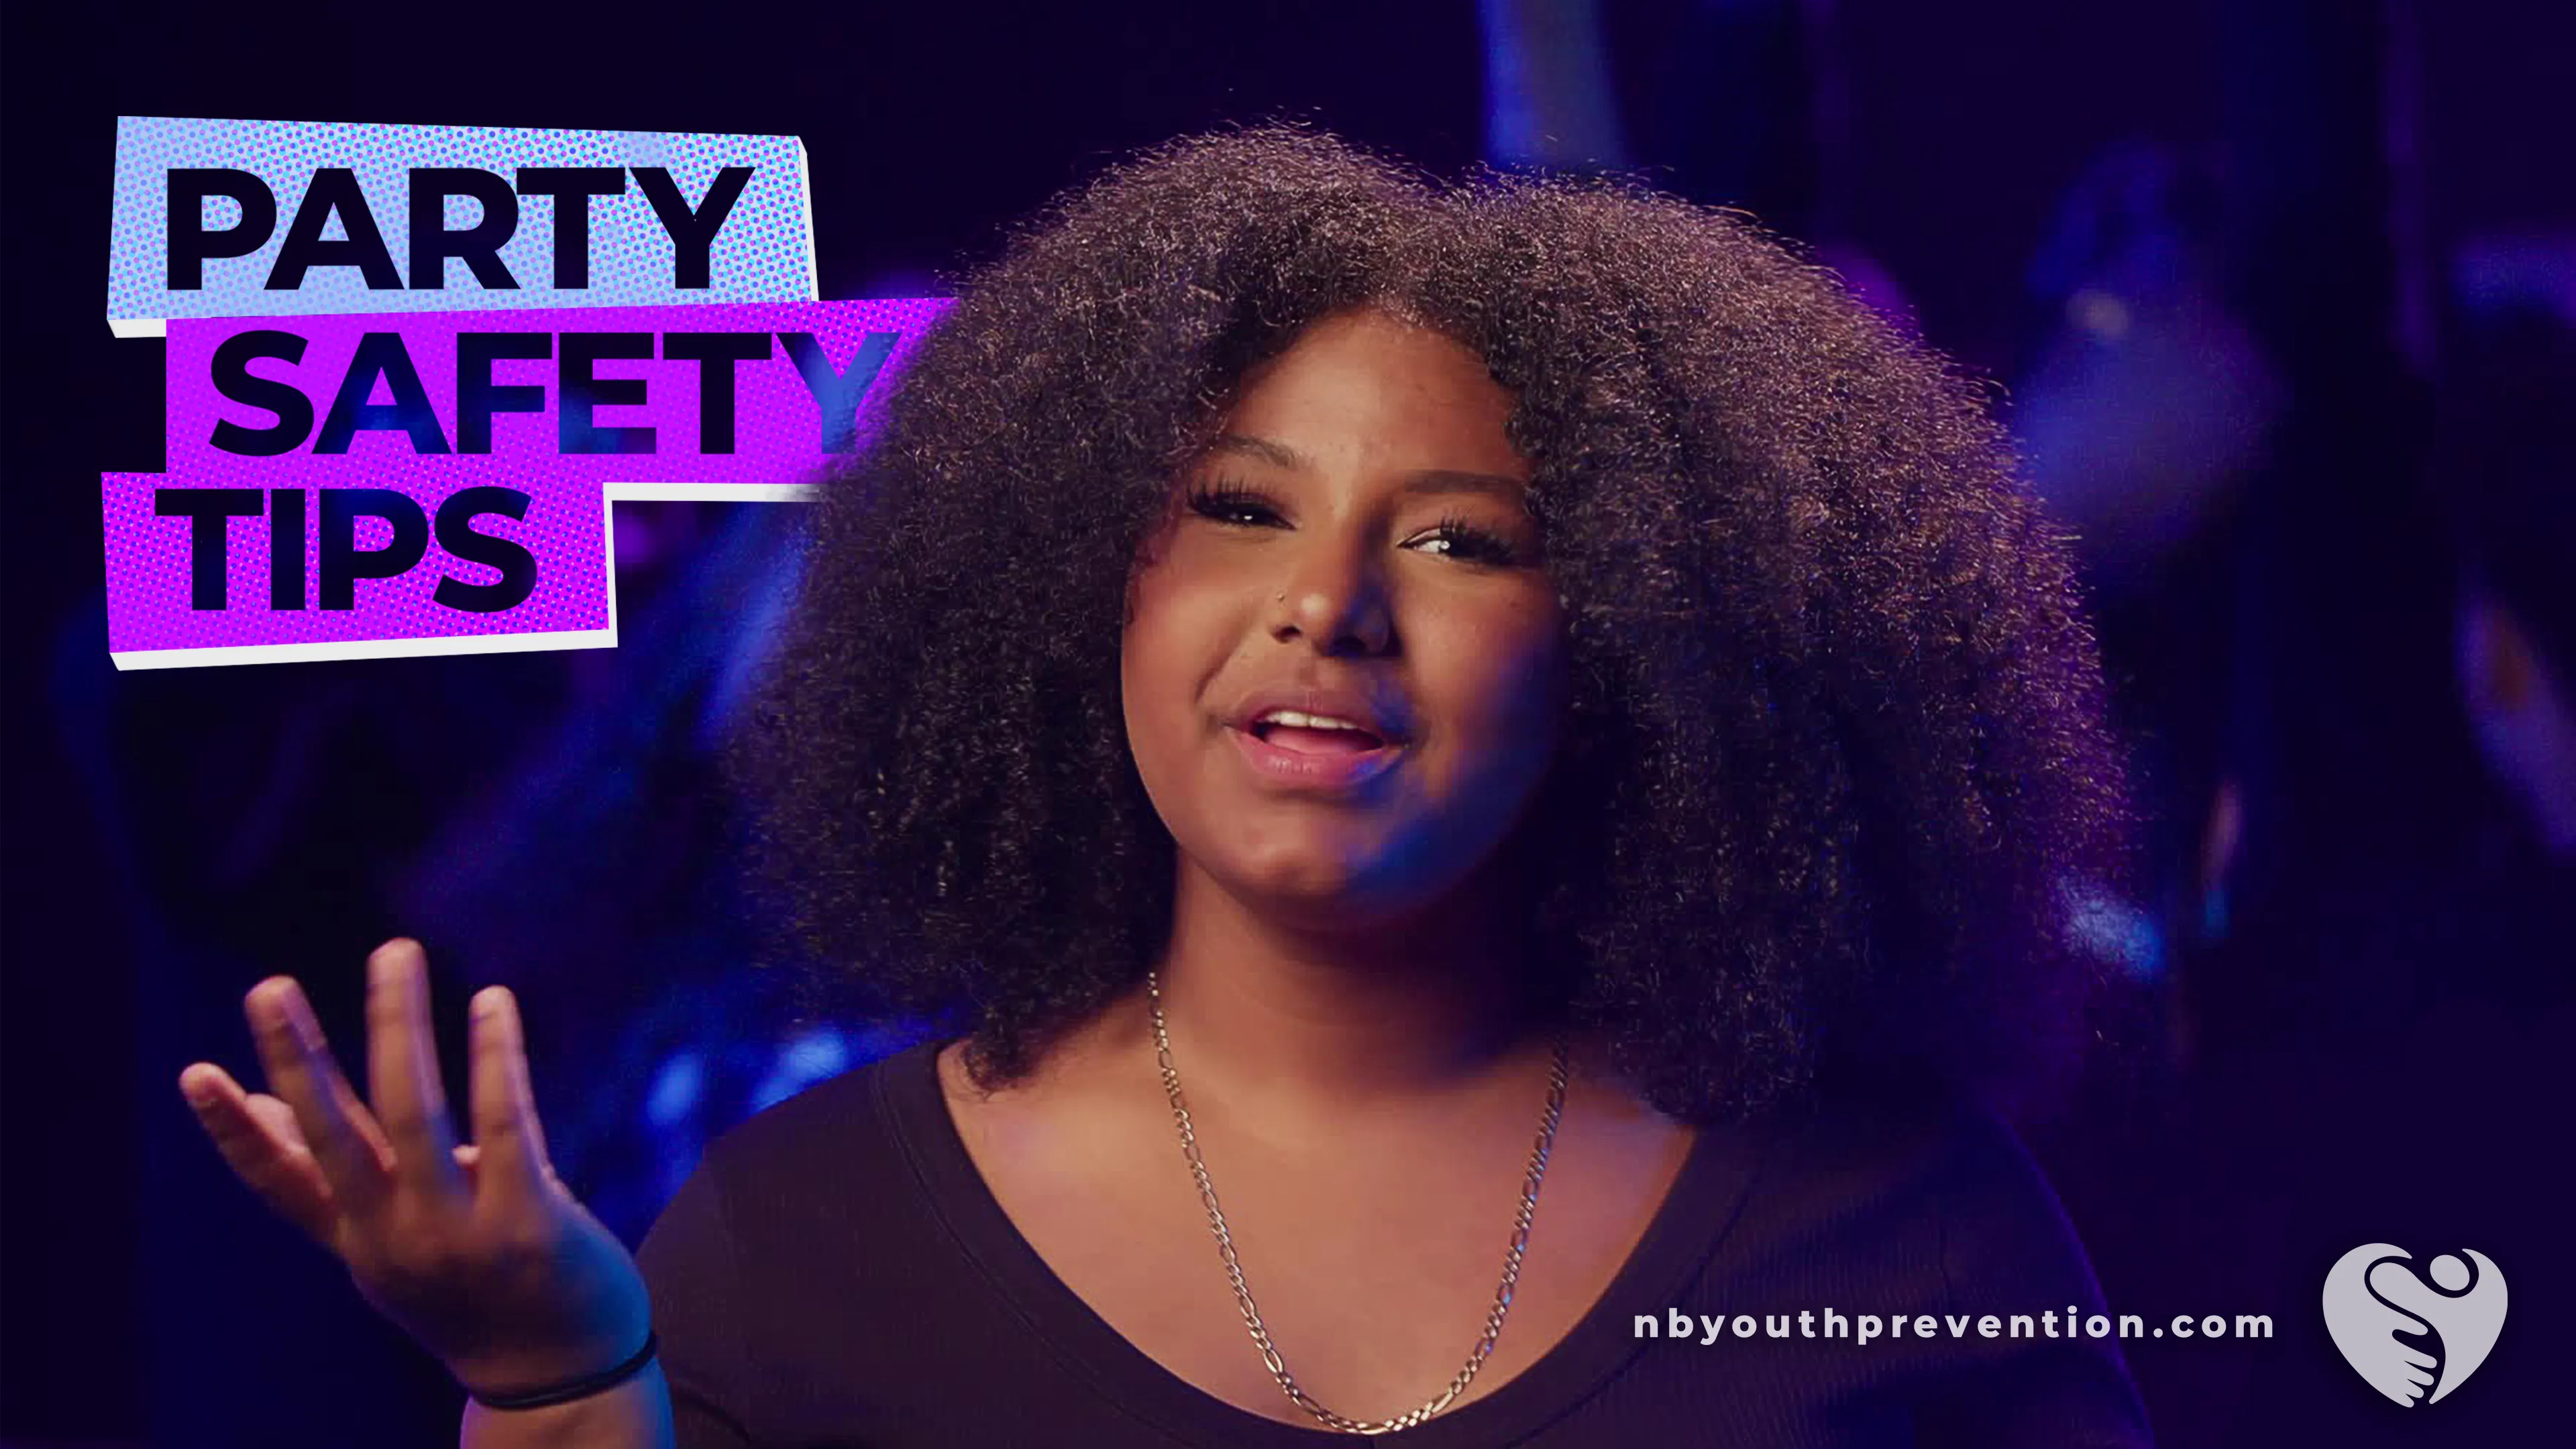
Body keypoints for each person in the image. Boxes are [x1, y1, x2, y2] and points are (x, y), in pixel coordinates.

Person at [174, 123, 2155, 1446]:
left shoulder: (1906, 1231)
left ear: (1634, 647)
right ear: (1079, 595)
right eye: (1238, 509)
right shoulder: (795, 1235)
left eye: (1464, 539)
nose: (1326, 604)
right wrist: (550, 1386)